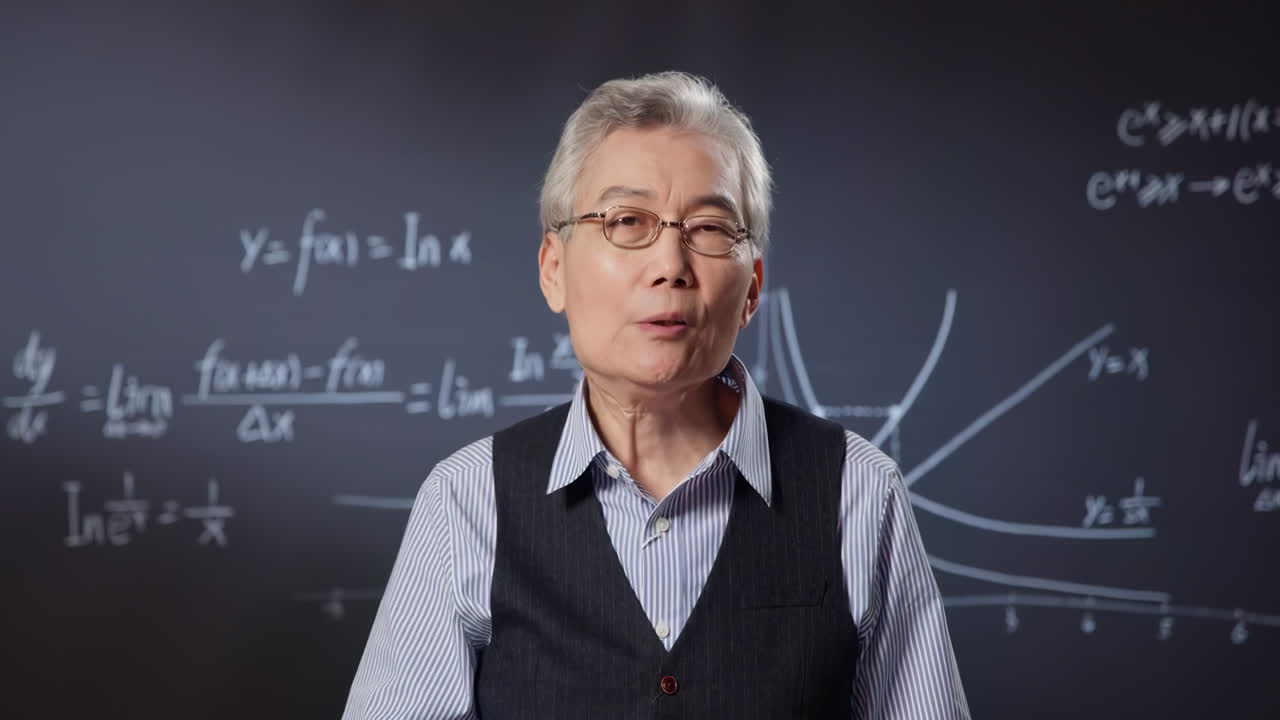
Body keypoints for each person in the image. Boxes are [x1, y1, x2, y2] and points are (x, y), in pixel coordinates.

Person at [342, 71, 970, 719]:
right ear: (553, 269)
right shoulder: (467, 503)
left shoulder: (859, 494)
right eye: (627, 221)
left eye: (708, 228)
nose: (670, 264)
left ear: (752, 288)